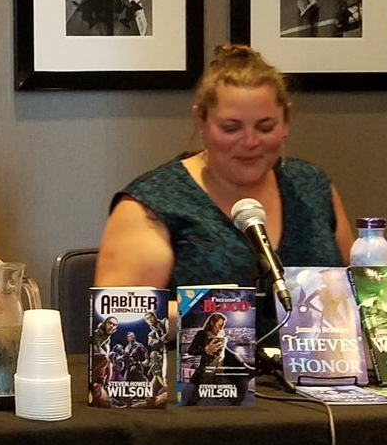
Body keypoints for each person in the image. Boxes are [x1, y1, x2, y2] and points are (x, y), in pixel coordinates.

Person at [94, 44, 353, 300]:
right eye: (231, 128)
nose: (250, 141)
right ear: (201, 122)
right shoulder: (150, 205)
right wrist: (231, 312)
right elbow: (121, 318)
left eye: (265, 127)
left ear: (286, 121)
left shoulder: (311, 187)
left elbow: (357, 293)